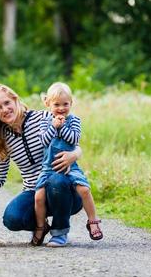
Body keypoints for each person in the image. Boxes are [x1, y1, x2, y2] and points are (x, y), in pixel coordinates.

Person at [0, 83, 83, 247]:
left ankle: (60, 231)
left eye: (7, 103)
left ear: (15, 100)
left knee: (56, 181)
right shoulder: (1, 138)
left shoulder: (45, 117)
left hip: (64, 189)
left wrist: (74, 155)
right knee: (12, 218)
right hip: (34, 191)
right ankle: (42, 225)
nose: (4, 109)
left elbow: (74, 143)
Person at [33, 82, 103, 247]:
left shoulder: (74, 120)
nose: (61, 108)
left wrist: (62, 127)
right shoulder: (45, 122)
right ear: (47, 104)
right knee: (38, 197)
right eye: (56, 104)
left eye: (65, 104)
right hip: (48, 168)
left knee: (84, 189)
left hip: (71, 167)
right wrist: (53, 126)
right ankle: (40, 227)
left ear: (71, 103)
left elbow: (74, 139)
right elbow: (43, 141)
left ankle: (93, 220)